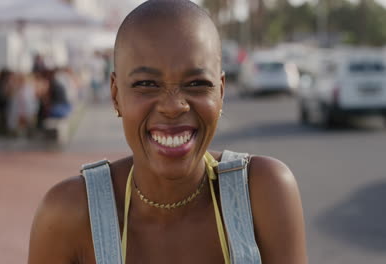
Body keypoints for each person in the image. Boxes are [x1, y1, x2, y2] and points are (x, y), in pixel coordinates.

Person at [28, 1, 307, 264]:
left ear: (220, 92)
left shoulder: (261, 193)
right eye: (147, 83)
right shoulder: (71, 213)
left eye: (197, 83)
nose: (173, 106)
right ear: (115, 95)